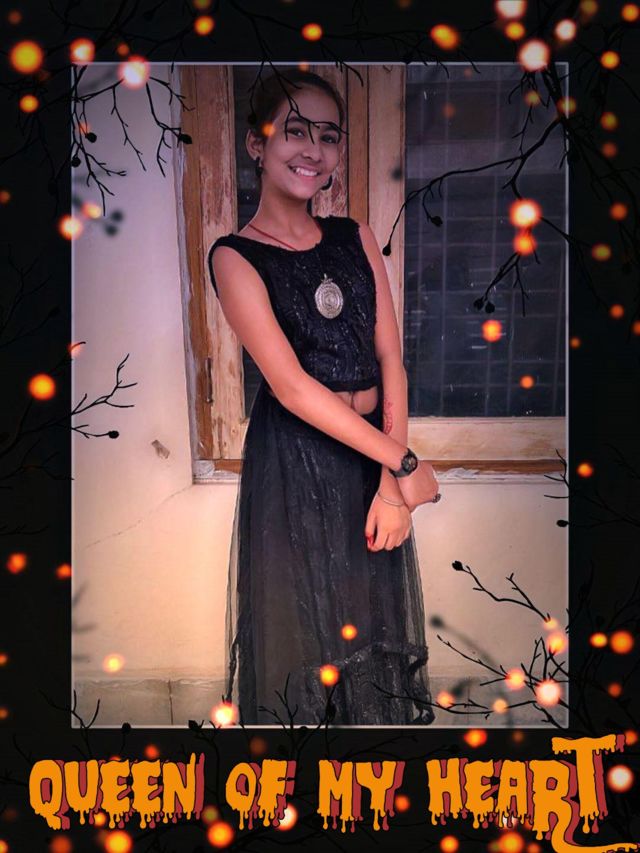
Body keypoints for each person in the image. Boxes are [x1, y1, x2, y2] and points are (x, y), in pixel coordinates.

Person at [207, 69, 440, 726]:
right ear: (257, 143)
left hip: (371, 457)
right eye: (295, 131)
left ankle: (372, 775)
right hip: (297, 462)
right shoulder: (234, 257)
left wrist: (391, 481)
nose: (313, 149)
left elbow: (391, 359)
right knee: (306, 634)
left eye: (329, 136)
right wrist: (404, 462)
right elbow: (291, 387)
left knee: (371, 629)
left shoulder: (354, 236)